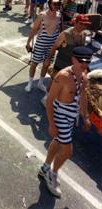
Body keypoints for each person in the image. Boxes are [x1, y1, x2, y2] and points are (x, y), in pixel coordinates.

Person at [38, 46, 93, 197]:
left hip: (71, 115)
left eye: (87, 61)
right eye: (81, 61)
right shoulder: (62, 76)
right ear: (73, 59)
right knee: (67, 151)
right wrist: (52, 124)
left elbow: (82, 96)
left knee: (57, 141)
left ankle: (45, 168)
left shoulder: (84, 74)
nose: (85, 64)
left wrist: (86, 116)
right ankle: (52, 174)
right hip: (60, 114)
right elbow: (49, 101)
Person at [41, 14, 91, 106]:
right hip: (61, 62)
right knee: (54, 80)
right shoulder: (65, 34)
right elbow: (54, 47)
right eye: (81, 24)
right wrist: (48, 59)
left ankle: (60, 99)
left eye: (85, 24)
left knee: (68, 82)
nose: (83, 26)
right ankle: (46, 97)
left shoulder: (84, 34)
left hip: (73, 65)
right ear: (75, 22)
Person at [25, 0, 62, 93]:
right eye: (54, 4)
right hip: (41, 43)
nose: (56, 6)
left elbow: (60, 31)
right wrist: (28, 42)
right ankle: (30, 83)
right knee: (34, 63)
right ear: (49, 3)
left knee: (47, 64)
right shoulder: (42, 15)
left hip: (52, 45)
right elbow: (33, 29)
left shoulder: (59, 16)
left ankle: (40, 83)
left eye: (58, 4)